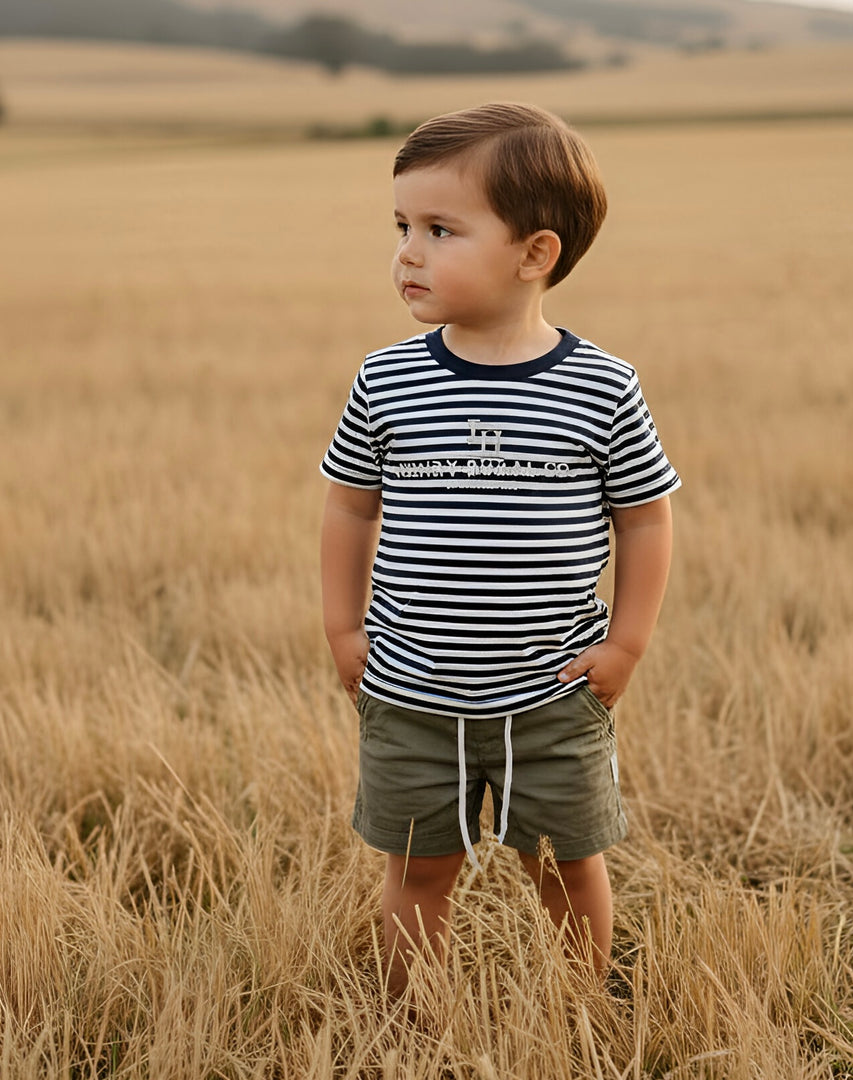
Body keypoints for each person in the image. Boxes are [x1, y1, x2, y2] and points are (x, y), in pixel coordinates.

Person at [320, 102, 680, 995]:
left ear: (536, 253)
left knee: (564, 864)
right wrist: (343, 628)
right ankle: (411, 1020)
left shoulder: (601, 387)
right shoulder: (387, 377)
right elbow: (349, 508)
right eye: (401, 226)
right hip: (410, 688)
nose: (407, 251)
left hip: (553, 691)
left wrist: (626, 643)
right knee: (418, 870)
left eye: (440, 229)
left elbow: (643, 518)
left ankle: (581, 1007)